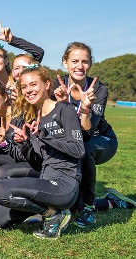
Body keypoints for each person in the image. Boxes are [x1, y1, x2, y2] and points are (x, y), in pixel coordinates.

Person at [0, 64, 85, 239]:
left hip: (64, 184)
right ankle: (50, 211)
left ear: (47, 84)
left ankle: (53, 215)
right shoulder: (31, 118)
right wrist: (24, 143)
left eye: (33, 84)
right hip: (44, 181)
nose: (28, 90)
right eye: (24, 87)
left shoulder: (64, 110)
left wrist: (46, 137)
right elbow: (37, 160)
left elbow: (79, 150)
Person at [52, 42, 120, 227]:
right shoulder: (56, 87)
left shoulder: (98, 89)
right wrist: (61, 103)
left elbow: (88, 133)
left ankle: (89, 207)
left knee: (84, 149)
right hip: (73, 139)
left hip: (101, 139)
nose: (79, 66)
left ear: (90, 64)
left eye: (85, 61)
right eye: (74, 61)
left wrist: (86, 107)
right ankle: (109, 201)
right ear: (65, 62)